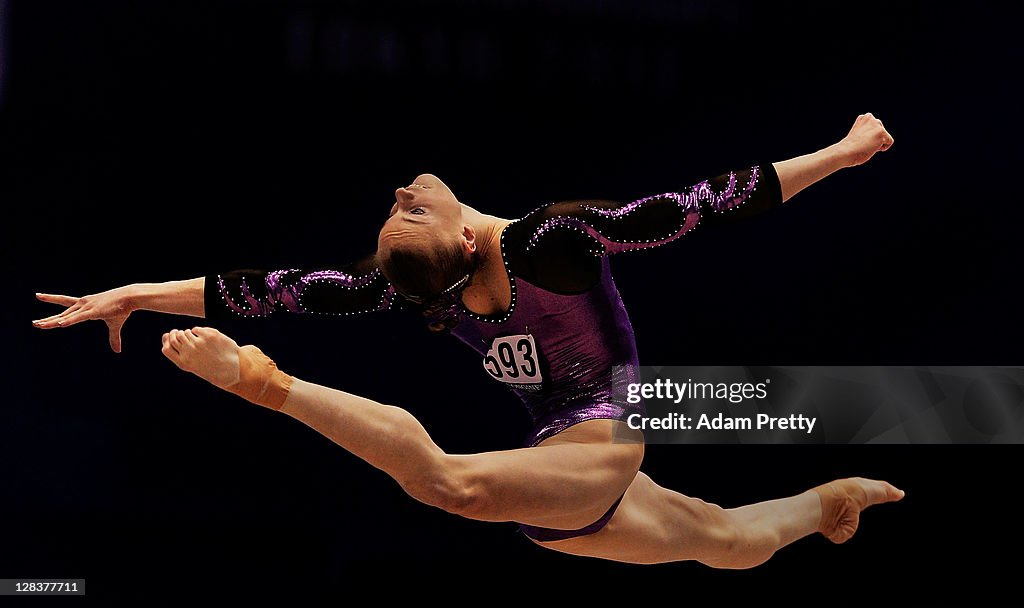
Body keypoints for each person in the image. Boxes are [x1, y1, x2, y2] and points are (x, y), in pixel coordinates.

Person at [33, 113, 902, 567]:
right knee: (728, 546)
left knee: (458, 488)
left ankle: (828, 503)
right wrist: (844, 153)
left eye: (397, 209)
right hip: (572, 461)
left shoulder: (435, 276)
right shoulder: (542, 244)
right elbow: (707, 202)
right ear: (457, 242)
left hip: (596, 449)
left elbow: (268, 289)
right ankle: (268, 388)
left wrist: (132, 293)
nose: (402, 194)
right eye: (407, 211)